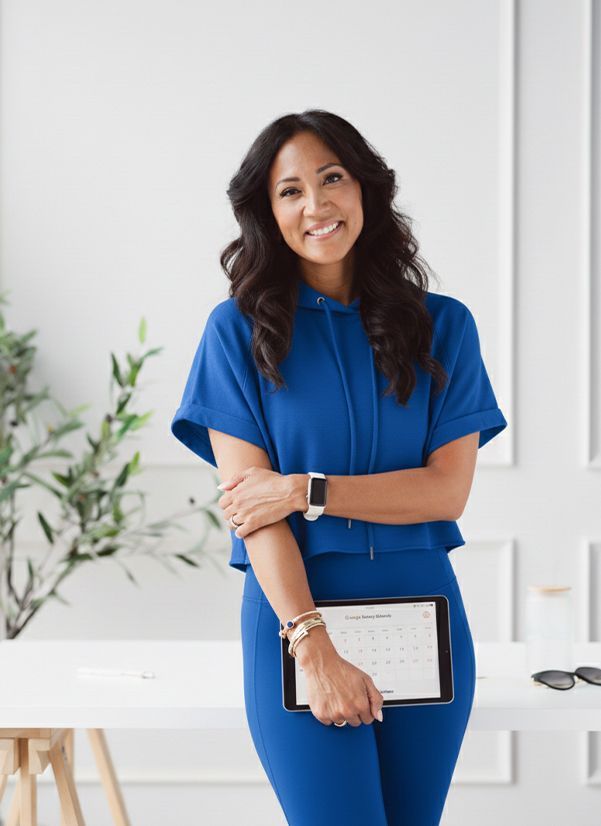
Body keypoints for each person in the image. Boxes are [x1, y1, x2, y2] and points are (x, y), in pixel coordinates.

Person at [171, 109, 507, 825]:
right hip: (297, 620)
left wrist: (303, 489)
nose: (315, 204)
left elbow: (444, 493)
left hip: (425, 611)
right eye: (289, 190)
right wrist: (312, 645)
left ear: (366, 191)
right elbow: (251, 515)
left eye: (332, 179)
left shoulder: (443, 325)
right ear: (267, 212)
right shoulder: (235, 332)